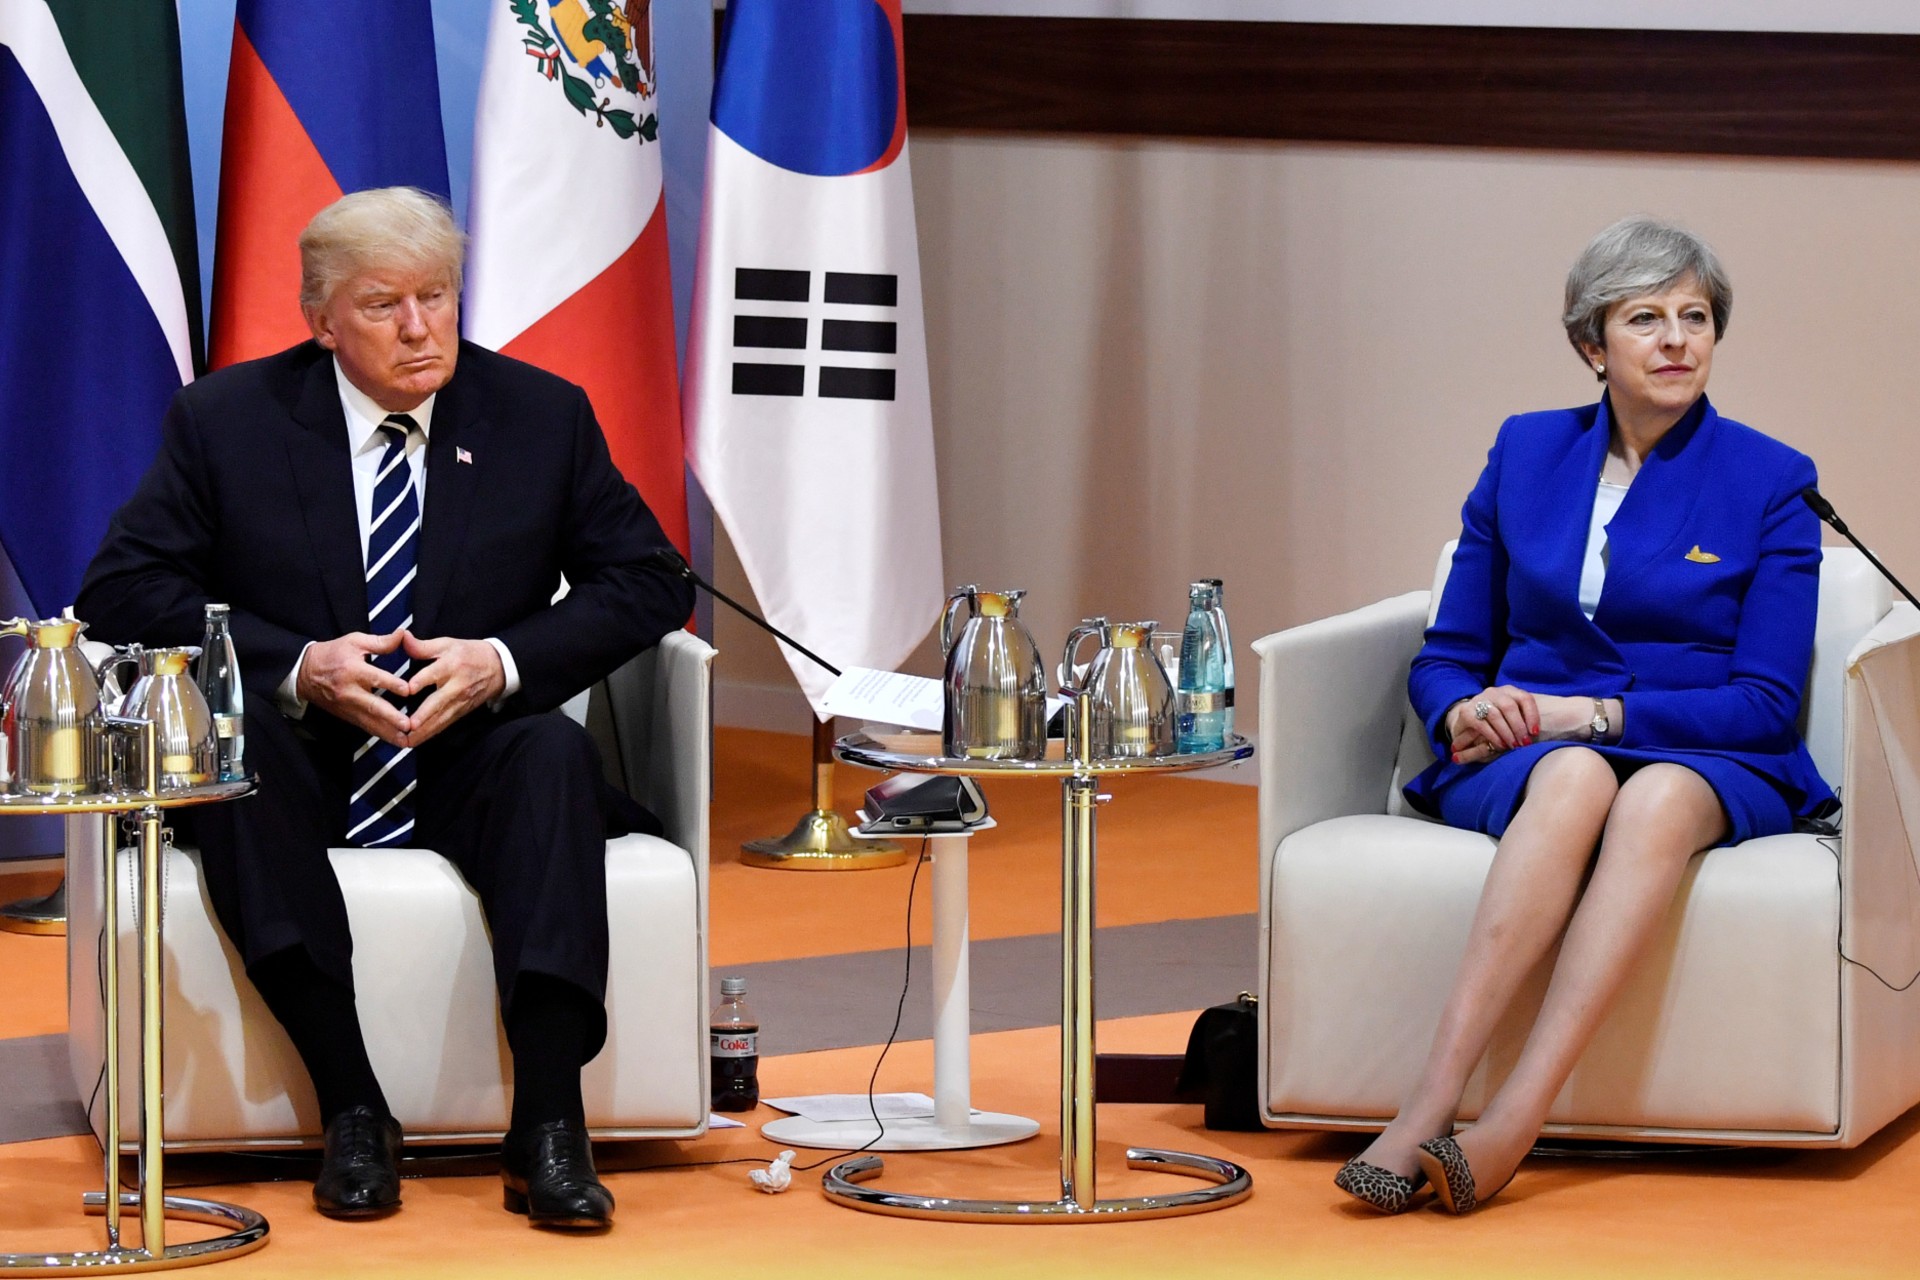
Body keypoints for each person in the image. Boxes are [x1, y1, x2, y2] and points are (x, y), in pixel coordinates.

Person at [76, 187, 694, 1230]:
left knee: (552, 754)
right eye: (382, 305)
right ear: (322, 320)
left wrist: (502, 661)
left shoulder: (538, 415)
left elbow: (648, 580)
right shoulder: (228, 420)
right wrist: (297, 664)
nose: (419, 328)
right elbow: (122, 588)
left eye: (436, 296)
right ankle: (354, 1107)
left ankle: (550, 1122)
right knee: (239, 757)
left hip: (469, 751)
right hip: (305, 754)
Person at [1333, 216, 1833, 1215]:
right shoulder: (1526, 451)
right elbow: (1448, 651)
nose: (1677, 339)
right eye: (1645, 318)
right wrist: (1464, 709)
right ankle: (1433, 1096)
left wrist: (1594, 715)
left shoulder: (1772, 479)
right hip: (1534, 752)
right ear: (1591, 344)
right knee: (1571, 778)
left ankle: (1517, 1115)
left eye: (1696, 316)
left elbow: (1766, 702)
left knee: (1650, 797)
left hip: (1706, 748)